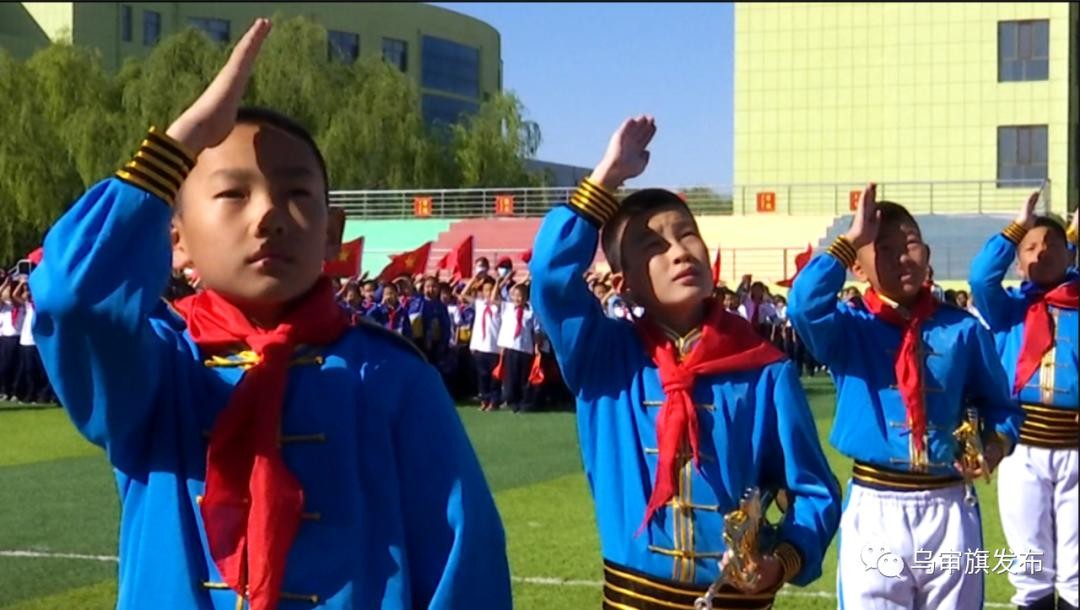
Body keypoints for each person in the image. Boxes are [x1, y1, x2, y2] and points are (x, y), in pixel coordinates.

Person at [28, 19, 510, 610]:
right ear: (174, 240)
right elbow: (72, 295)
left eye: (297, 195)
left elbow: (464, 560)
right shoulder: (158, 368)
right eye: (233, 194)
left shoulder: (391, 375)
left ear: (332, 233)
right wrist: (180, 142)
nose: (269, 217)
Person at [530, 116, 841, 606]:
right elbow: (551, 277)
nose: (678, 252)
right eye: (653, 246)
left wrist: (780, 561)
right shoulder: (604, 357)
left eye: (687, 235)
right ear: (624, 283)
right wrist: (607, 177)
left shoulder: (764, 370)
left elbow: (814, 491)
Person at [787, 182, 1024, 610]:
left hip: (949, 504)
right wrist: (850, 239)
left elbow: (1001, 406)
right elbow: (803, 306)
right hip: (876, 505)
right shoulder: (847, 329)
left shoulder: (962, 329)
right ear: (858, 268)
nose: (902, 257)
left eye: (911, 244)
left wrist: (992, 446)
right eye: (884, 249)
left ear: (927, 254)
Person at [969, 192, 1078, 610]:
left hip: (1076, 448)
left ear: (1069, 253)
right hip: (1021, 446)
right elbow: (981, 277)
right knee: (1030, 564)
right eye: (1030, 247)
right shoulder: (1007, 309)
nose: (1041, 252)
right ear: (1018, 263)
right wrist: (1016, 228)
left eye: (1052, 244)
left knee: (1076, 571)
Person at [494, 282, 538, 413]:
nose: (518, 298)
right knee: (511, 377)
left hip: (525, 348)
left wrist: (537, 346)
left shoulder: (530, 313)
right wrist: (499, 282)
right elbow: (494, 299)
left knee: (523, 377)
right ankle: (512, 402)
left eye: (521, 296)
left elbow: (536, 330)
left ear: (526, 298)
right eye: (516, 295)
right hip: (510, 347)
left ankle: (523, 403)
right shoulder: (507, 308)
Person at [465, 275, 502, 411]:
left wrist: (497, 283)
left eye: (491, 289)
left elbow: (493, 300)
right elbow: (463, 295)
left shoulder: (499, 306)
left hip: (494, 348)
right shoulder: (480, 304)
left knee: (494, 377)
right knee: (482, 376)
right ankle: (484, 400)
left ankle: (494, 400)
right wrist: (473, 279)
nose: (488, 292)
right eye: (486, 290)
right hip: (480, 347)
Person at [0, 278, 23, 401]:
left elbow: (14, 297)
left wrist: (20, 284)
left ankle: (15, 392)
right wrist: (5, 283)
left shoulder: (19, 304)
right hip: (5, 339)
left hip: (17, 338)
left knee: (15, 367)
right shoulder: (4, 306)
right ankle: (5, 390)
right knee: (4, 367)